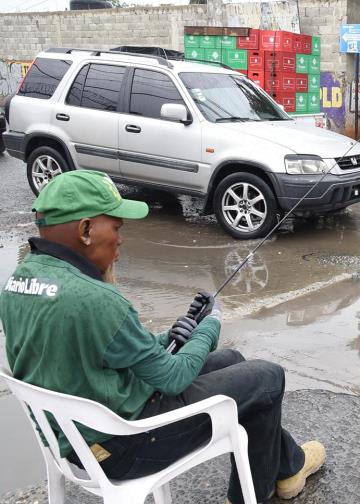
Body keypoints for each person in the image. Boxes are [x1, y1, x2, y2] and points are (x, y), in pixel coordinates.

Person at [0, 170, 325, 504]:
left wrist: (173, 334)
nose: (120, 239)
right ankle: (250, 493)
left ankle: (288, 468)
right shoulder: (95, 299)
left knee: (233, 362)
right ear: (85, 230)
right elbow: (172, 378)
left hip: (75, 441)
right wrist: (209, 325)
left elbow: (106, 348)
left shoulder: (18, 282)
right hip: (125, 446)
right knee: (267, 378)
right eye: (116, 227)